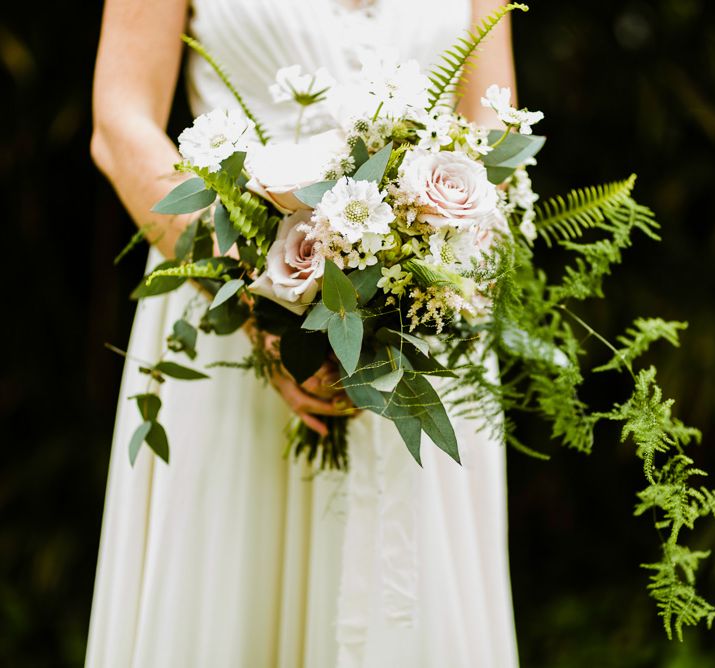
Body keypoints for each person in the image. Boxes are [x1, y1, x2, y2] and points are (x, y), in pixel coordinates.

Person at [87, 0, 520, 665]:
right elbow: (120, 123)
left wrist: (435, 270)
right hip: (226, 312)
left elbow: (492, 120)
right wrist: (262, 301)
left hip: (421, 337)